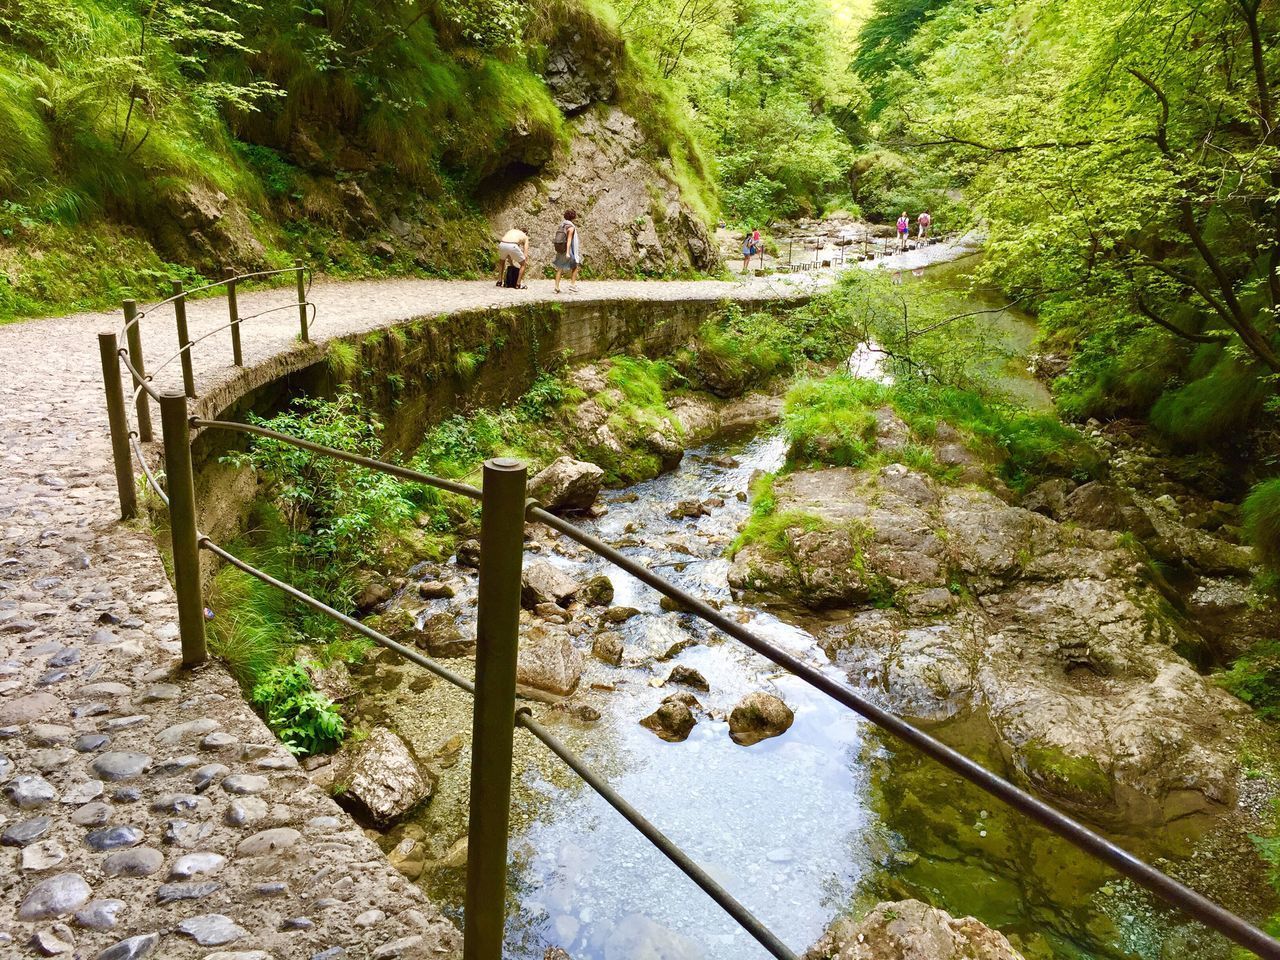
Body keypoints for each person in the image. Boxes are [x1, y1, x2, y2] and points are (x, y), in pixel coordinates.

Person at [553, 210, 581, 293]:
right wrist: (568, 252)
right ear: (573, 217)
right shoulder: (571, 227)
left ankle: (556, 287)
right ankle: (572, 285)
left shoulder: (562, 225)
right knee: (575, 266)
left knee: (560, 268)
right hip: (568, 250)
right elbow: (569, 240)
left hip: (561, 249)